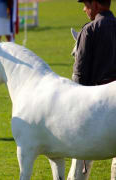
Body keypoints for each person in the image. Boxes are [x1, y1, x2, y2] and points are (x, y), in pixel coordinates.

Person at [68, 0, 116, 179]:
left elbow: (79, 75)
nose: (84, 8)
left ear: (95, 5)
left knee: (80, 165)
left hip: (97, 107)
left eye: (86, 4)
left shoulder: (89, 30)